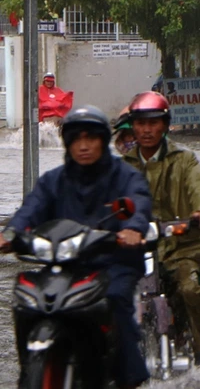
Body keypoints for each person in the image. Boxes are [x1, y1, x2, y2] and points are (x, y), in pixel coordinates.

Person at [1, 105, 153, 388]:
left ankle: (129, 378)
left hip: (113, 263)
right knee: (27, 301)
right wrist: (9, 235)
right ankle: (30, 370)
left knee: (116, 300)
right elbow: (30, 211)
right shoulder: (53, 180)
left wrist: (131, 229)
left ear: (102, 141)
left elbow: (138, 205)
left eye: (91, 138)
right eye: (76, 139)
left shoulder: (125, 176)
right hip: (62, 266)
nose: (84, 146)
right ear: (68, 144)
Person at [113, 108, 200, 357]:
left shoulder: (185, 159)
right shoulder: (119, 168)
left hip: (184, 234)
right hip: (135, 243)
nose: (132, 140)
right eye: (127, 136)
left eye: (151, 125)